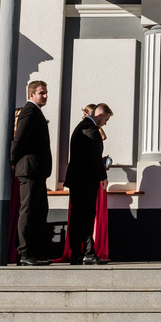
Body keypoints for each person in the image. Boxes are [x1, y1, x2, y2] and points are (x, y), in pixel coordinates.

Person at [59, 105, 112, 264]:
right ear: (100, 114)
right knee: (86, 217)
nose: (105, 123)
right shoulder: (90, 129)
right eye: (106, 119)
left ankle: (77, 254)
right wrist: (103, 177)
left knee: (77, 217)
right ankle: (88, 253)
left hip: (77, 180)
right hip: (85, 181)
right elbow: (94, 157)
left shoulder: (82, 126)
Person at [11, 81, 53, 266]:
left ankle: (36, 253)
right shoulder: (29, 111)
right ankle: (25, 254)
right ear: (31, 95)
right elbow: (19, 140)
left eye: (45, 93)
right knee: (28, 212)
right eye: (41, 93)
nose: (45, 96)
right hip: (29, 170)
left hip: (38, 171)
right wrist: (13, 161)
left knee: (39, 212)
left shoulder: (37, 112)